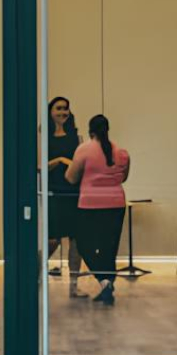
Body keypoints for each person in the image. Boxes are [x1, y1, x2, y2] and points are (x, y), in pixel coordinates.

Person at [65, 114, 130, 306]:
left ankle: (103, 281)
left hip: (90, 205)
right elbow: (123, 178)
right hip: (116, 204)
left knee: (85, 245)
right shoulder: (121, 152)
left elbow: (71, 177)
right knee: (109, 249)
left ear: (90, 130)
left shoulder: (84, 150)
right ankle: (107, 285)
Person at [47, 97, 84, 298]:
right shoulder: (44, 138)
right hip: (54, 192)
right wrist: (61, 160)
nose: (63, 112)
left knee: (75, 240)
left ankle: (74, 285)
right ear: (51, 111)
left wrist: (65, 163)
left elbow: (82, 164)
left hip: (73, 192)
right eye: (59, 108)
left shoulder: (76, 138)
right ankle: (33, 276)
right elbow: (39, 166)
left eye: (66, 109)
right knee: (53, 240)